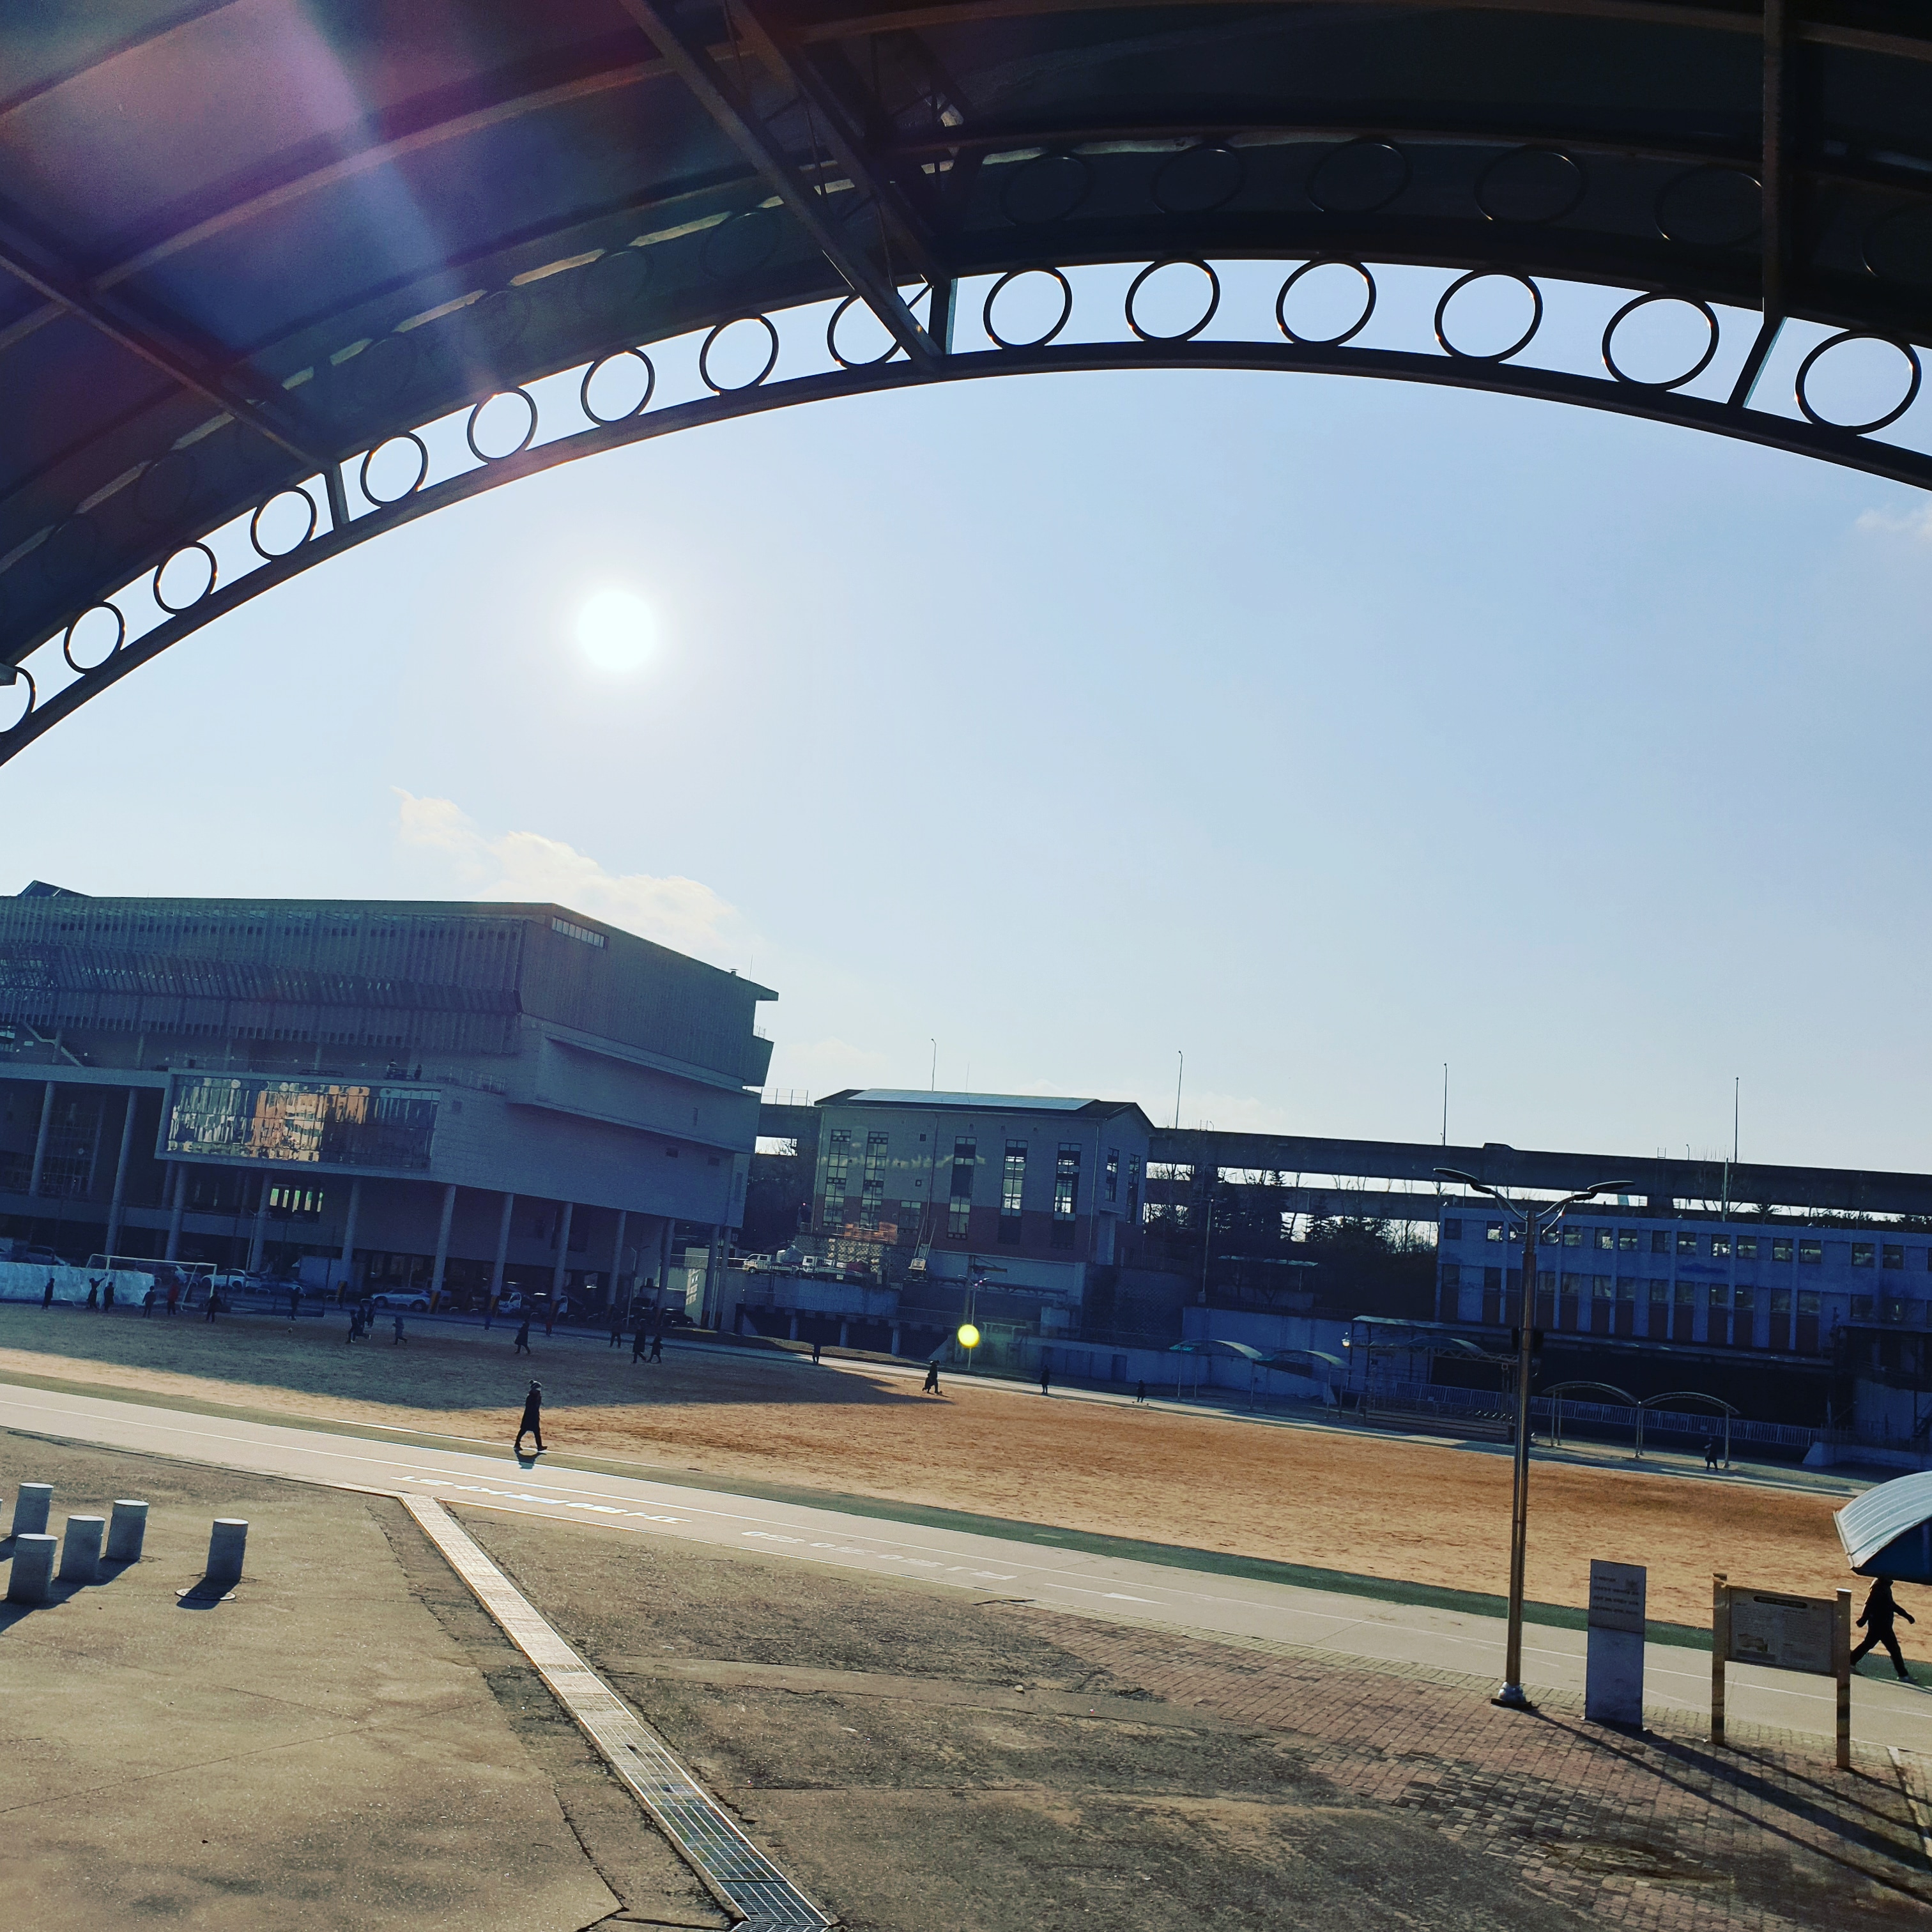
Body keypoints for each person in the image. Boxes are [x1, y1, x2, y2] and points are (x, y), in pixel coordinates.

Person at [1851, 1577, 1916, 1682]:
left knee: (1868, 1645)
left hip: (1881, 1624)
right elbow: (1870, 1603)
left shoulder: (1883, 1587)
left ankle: (1850, 1662)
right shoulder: (1879, 1588)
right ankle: (1903, 1675)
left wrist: (1907, 1616)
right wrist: (1864, 1618)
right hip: (1881, 1625)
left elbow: (1891, 1605)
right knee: (1893, 1649)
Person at [514, 1381, 545, 1455]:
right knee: (525, 1431)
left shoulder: (535, 1397)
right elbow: (533, 1407)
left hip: (532, 1416)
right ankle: (517, 1444)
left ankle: (539, 1446)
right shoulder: (532, 1398)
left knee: (534, 1431)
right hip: (530, 1416)